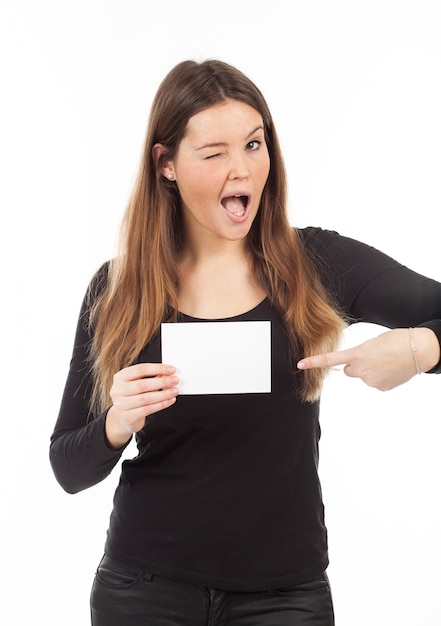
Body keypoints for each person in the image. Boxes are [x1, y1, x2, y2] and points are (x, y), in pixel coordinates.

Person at [49, 59, 441, 625]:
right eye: (214, 154)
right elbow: (66, 467)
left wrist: (419, 351)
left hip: (285, 596)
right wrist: (116, 422)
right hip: (143, 590)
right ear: (166, 165)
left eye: (254, 145)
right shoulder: (118, 289)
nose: (243, 171)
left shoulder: (319, 264)